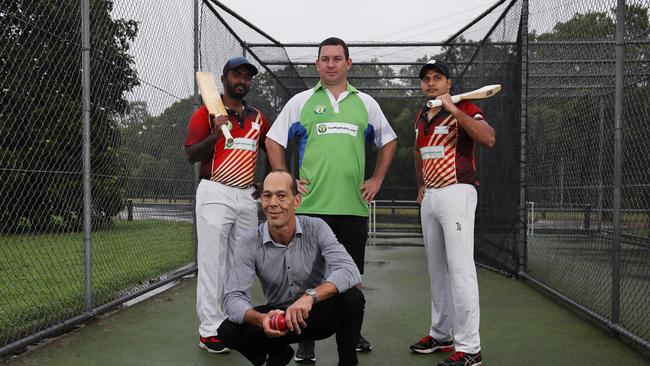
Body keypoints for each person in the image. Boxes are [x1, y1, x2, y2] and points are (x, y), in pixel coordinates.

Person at [265, 36, 397, 362]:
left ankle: (352, 333)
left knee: (350, 279)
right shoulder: (302, 101)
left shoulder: (365, 103)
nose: (331, 64)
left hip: (352, 208)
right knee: (308, 278)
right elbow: (272, 140)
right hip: (310, 210)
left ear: (348, 63)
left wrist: (377, 178)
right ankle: (306, 339)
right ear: (317, 64)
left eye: (338, 58)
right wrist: (286, 180)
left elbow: (389, 140)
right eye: (325, 59)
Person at [219, 170, 365, 366]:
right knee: (227, 331)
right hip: (277, 320)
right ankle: (278, 353)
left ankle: (348, 363)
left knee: (352, 298)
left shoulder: (316, 228)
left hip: (313, 314)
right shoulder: (249, 241)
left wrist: (310, 297)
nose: (273, 203)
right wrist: (261, 319)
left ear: (296, 201)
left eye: (281, 196)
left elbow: (350, 271)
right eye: (267, 195)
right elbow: (233, 297)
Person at [409, 59, 495, 366]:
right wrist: (420, 185)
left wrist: (455, 108)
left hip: (457, 192)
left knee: (460, 270)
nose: (431, 82)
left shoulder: (467, 108)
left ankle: (471, 349)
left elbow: (488, 138)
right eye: (426, 79)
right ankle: (441, 334)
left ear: (449, 83)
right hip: (430, 197)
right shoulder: (422, 116)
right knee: (437, 270)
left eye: (437, 77)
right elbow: (419, 152)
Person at [183, 56, 270, 354]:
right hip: (215, 191)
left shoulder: (258, 118)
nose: (242, 80)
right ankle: (209, 330)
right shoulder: (206, 113)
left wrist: (266, 182)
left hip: (246, 195)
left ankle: (235, 321)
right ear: (224, 79)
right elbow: (191, 155)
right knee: (212, 263)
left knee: (242, 263)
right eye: (237, 75)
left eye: (247, 76)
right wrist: (215, 134)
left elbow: (270, 148)